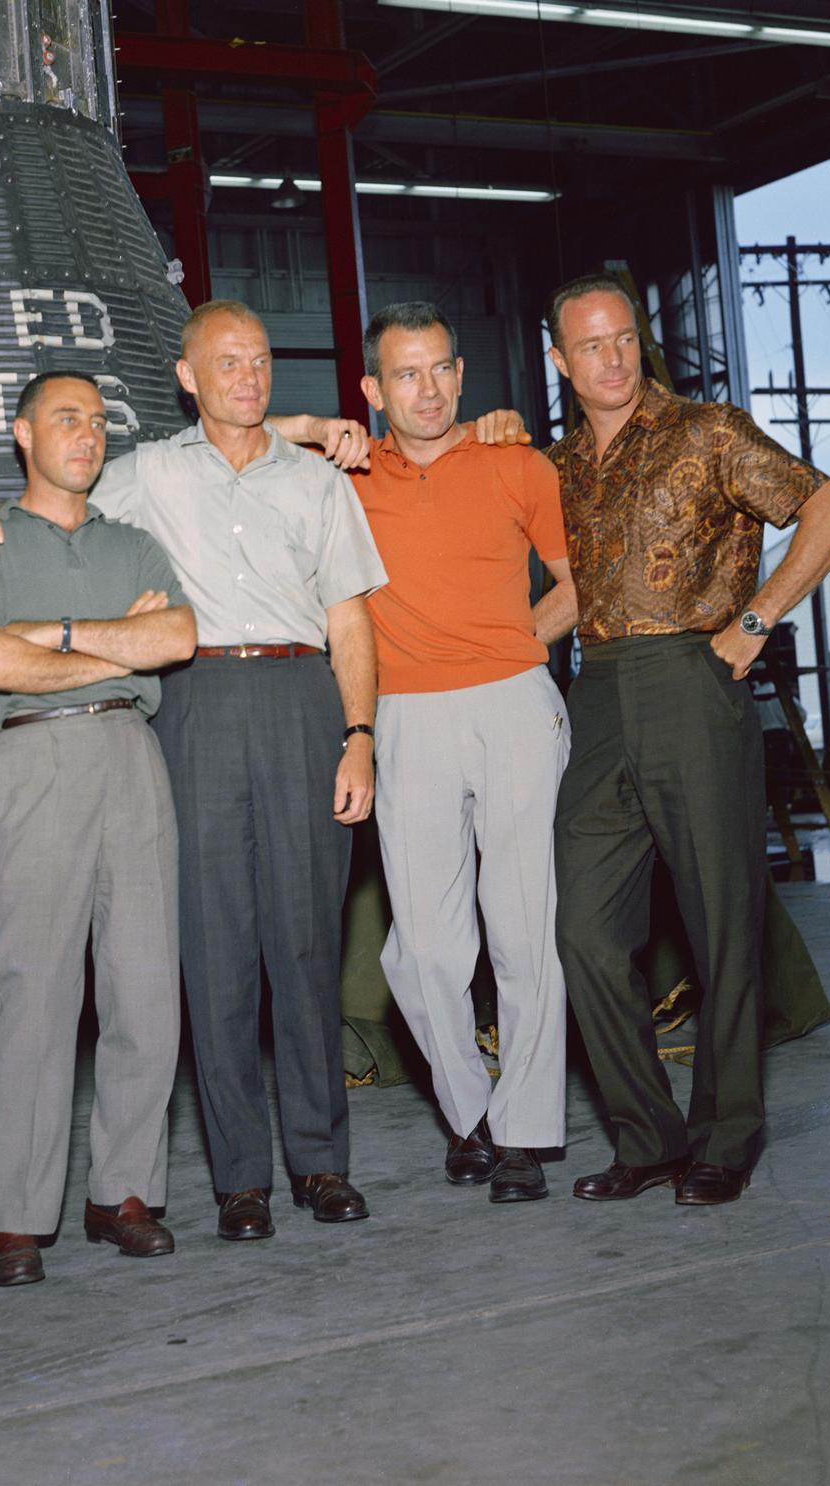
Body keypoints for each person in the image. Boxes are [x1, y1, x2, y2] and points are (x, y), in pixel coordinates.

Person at [0, 301, 389, 1240]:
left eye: (261, 360)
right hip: (193, 707)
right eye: (226, 362)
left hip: (302, 693)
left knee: (306, 941)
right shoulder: (140, 475)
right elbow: (46, 489)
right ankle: (239, 1182)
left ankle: (320, 1163)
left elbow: (350, 619)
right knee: (210, 947)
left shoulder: (316, 484)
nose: (248, 376)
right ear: (188, 377)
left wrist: (360, 733)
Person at [544, 272, 830, 1208]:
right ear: (561, 362)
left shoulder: (709, 431)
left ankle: (728, 1133)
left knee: (724, 918)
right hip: (596, 691)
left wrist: (756, 619)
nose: (613, 359)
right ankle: (647, 1137)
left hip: (694, 678)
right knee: (584, 931)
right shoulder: (556, 465)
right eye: (590, 346)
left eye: (623, 338)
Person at [0, 372, 196, 1286]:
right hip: (35, 759)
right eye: (64, 418)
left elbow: (174, 638)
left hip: (132, 755)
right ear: (21, 433)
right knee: (35, 992)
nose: (86, 435)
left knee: (145, 991)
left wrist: (46, 637)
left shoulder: (135, 544)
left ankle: (121, 1192)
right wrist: (101, 646)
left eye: (96, 421)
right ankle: (18, 1216)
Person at [352, 301, 577, 1204]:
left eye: (441, 368)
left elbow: (576, 585)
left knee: (524, 928)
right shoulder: (347, 475)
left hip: (514, 705)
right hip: (405, 716)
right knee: (425, 953)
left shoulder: (518, 464)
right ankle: (470, 1110)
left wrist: (512, 648)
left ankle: (521, 1135)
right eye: (406, 374)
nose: (429, 389)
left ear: (461, 371)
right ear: (373, 390)